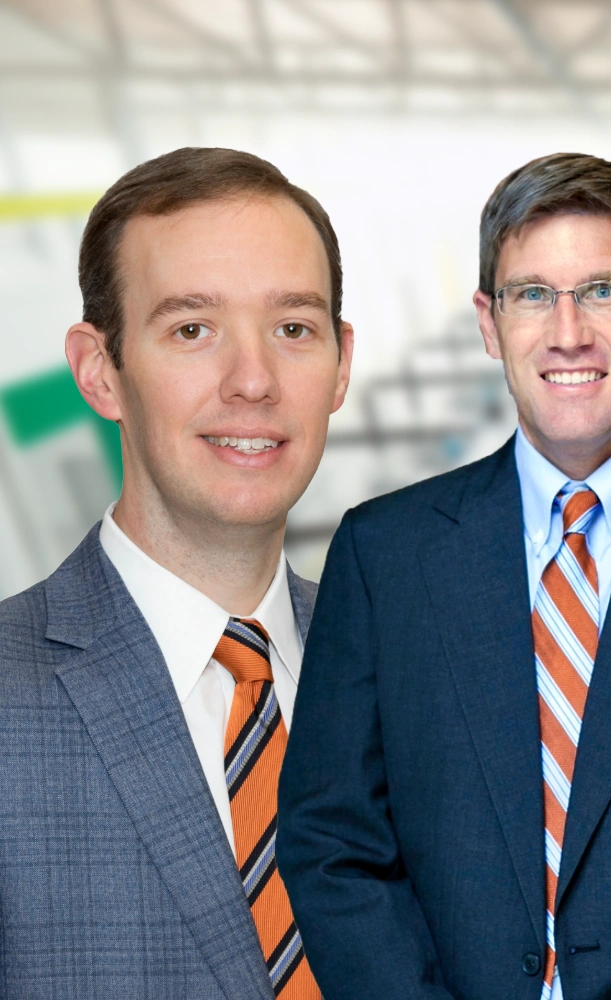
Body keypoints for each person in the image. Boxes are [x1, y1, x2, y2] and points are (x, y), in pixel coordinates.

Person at [276, 153, 611, 999]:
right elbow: (332, 844)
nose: (568, 332)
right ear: (489, 324)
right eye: (532, 294)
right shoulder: (385, 556)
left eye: (603, 290)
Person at [0, 147, 352, 999]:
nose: (253, 381)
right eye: (193, 329)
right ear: (99, 371)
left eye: (293, 328)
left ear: (341, 364)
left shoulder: (418, 673)